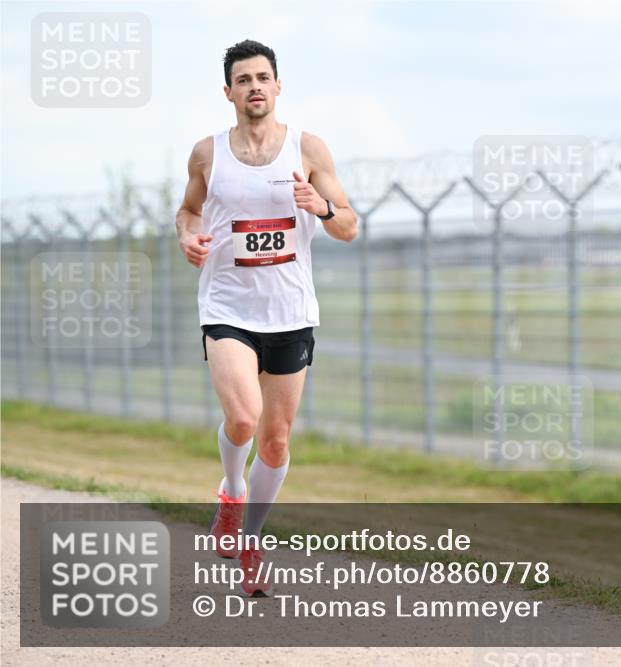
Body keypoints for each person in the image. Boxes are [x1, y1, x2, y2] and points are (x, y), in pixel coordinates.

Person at [175, 39, 357, 596]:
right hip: (228, 304)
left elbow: (348, 224)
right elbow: (187, 210)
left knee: (276, 441)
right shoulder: (208, 153)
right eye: (244, 79)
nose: (255, 86)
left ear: (277, 87)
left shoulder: (308, 149)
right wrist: (189, 236)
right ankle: (231, 493)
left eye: (263, 77)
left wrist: (320, 207)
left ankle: (250, 540)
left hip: (291, 311)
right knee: (245, 420)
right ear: (228, 91)